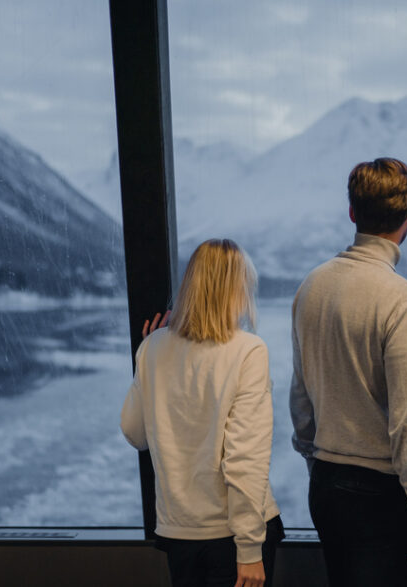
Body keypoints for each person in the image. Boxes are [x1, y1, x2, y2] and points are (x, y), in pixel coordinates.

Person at [290, 157, 407, 587]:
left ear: (352, 212)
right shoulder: (404, 301)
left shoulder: (312, 286)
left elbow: (300, 397)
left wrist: (317, 463)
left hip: (325, 482)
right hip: (379, 493)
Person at [121, 239, 284, 587]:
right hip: (232, 538)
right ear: (237, 289)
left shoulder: (152, 347)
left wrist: (145, 364)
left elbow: (136, 434)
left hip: (178, 533)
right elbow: (246, 458)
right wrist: (250, 550)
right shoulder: (247, 350)